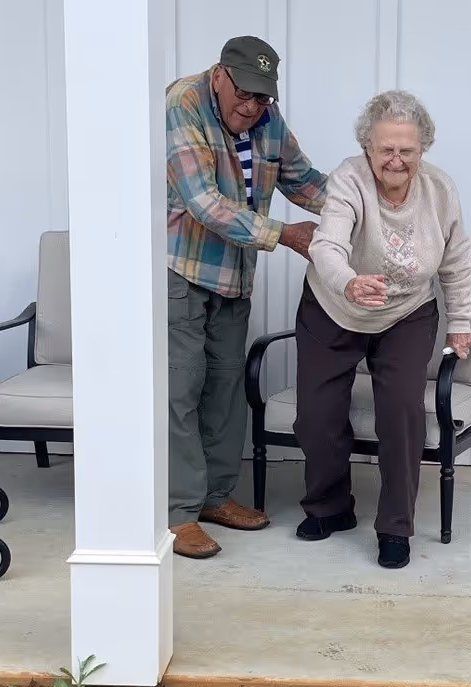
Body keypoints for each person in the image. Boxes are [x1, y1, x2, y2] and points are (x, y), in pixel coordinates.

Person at [295, 90, 471, 570]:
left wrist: (459, 322)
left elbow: (456, 262)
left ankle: (395, 528)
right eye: (386, 150)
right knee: (315, 414)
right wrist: (350, 283)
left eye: (407, 151)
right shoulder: (347, 181)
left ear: (423, 150)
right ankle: (330, 509)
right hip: (335, 305)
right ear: (367, 147)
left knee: (401, 412)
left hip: (406, 312)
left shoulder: (440, 190)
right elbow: (328, 244)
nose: (396, 160)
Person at [166, 36, 327, 559]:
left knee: (226, 389)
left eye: (262, 97)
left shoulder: (267, 118)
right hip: (183, 270)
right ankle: (178, 512)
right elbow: (203, 203)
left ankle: (215, 497)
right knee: (181, 390)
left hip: (235, 274)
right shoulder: (184, 104)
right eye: (244, 94)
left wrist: (369, 199)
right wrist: (285, 234)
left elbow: (305, 182)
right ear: (220, 74)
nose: (252, 107)